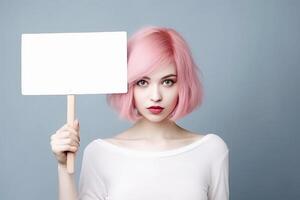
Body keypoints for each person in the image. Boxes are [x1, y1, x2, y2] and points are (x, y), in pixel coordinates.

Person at [50, 25, 229, 200]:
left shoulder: (211, 149)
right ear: (129, 86)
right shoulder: (100, 153)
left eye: (168, 82)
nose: (156, 96)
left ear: (183, 85)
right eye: (143, 82)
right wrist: (64, 167)